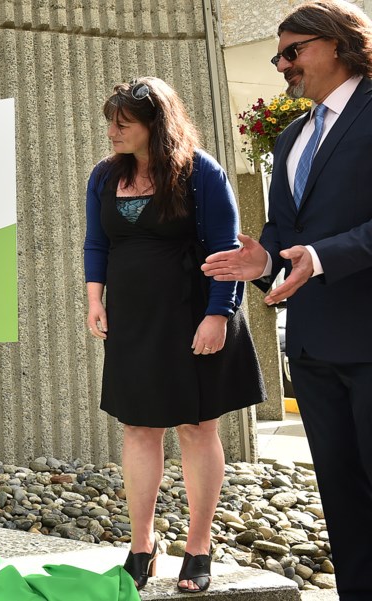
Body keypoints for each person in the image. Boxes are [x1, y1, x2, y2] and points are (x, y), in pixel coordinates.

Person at [202, 2, 372, 598]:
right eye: (277, 55)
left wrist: (323, 257)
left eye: (292, 51)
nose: (282, 65)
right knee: (344, 504)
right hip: (312, 345)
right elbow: (285, 236)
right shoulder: (293, 134)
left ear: (337, 43)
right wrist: (263, 261)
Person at [84, 77, 265, 593]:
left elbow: (226, 251)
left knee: (196, 428)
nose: (113, 131)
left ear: (154, 125)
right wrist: (94, 299)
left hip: (193, 316)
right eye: (111, 122)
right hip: (134, 322)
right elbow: (97, 243)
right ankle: (142, 546)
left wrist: (218, 316)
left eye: (125, 123)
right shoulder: (104, 176)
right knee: (139, 428)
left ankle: (198, 546)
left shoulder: (200, 172)